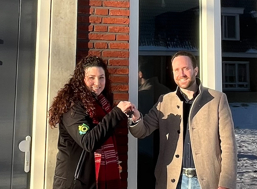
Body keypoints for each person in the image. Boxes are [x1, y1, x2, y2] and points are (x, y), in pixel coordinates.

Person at [129, 51, 237, 189]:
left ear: (195, 70)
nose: (181, 74)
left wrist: (226, 183)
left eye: (185, 68)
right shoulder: (164, 101)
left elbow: (228, 145)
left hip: (207, 182)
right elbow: (142, 130)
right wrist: (136, 118)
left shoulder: (217, 99)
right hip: (173, 182)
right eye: (177, 70)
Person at [49, 56, 134, 189]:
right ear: (81, 79)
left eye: (101, 77)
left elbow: (104, 132)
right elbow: (88, 141)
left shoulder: (102, 103)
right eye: (91, 78)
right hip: (74, 182)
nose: (97, 83)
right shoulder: (73, 106)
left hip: (94, 180)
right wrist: (116, 113)